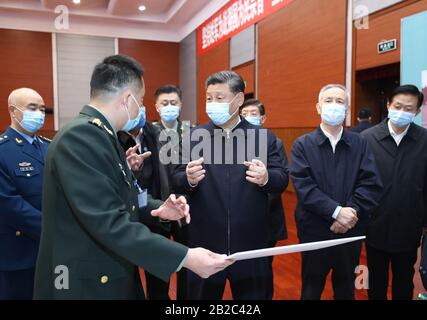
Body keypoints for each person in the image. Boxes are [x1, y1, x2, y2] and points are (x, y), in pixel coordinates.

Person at [33, 55, 233, 300]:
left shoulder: (104, 135)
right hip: (87, 280)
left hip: (107, 270)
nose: (140, 108)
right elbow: (107, 221)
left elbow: (122, 195)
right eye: (140, 101)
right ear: (127, 100)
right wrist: (185, 257)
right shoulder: (82, 137)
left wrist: (158, 208)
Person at [172, 71, 288, 300]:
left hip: (251, 243)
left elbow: (281, 177)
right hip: (205, 243)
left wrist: (266, 178)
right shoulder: (194, 136)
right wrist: (188, 178)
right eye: (209, 98)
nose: (212, 104)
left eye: (220, 98)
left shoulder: (263, 137)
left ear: (238, 100)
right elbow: (176, 177)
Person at [290, 84, 383, 300]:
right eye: (328, 100)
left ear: (347, 109)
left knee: (346, 290)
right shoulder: (302, 145)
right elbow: (304, 186)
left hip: (350, 231)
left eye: (340, 102)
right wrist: (335, 211)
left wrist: (349, 213)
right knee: (311, 290)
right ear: (318, 107)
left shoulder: (360, 144)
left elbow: (370, 183)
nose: (334, 106)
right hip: (314, 230)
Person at [361, 84, 427, 300]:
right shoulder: (367, 138)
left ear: (417, 112)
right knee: (376, 282)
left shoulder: (424, 140)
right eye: (398, 106)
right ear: (388, 105)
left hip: (409, 227)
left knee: (404, 281)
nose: (402, 112)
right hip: (375, 225)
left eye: (408, 109)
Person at [0, 88, 49, 300]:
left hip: (50, 251)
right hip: (18, 254)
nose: (38, 113)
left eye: (41, 108)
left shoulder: (50, 146)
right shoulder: (2, 150)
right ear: (13, 110)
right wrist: (54, 228)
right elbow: (10, 205)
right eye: (32, 108)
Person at [239, 99, 289, 296]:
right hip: (241, 219)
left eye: (254, 113)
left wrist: (255, 204)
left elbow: (280, 178)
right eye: (245, 113)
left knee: (264, 270)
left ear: (263, 118)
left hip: (267, 217)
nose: (249, 117)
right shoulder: (235, 142)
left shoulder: (274, 142)